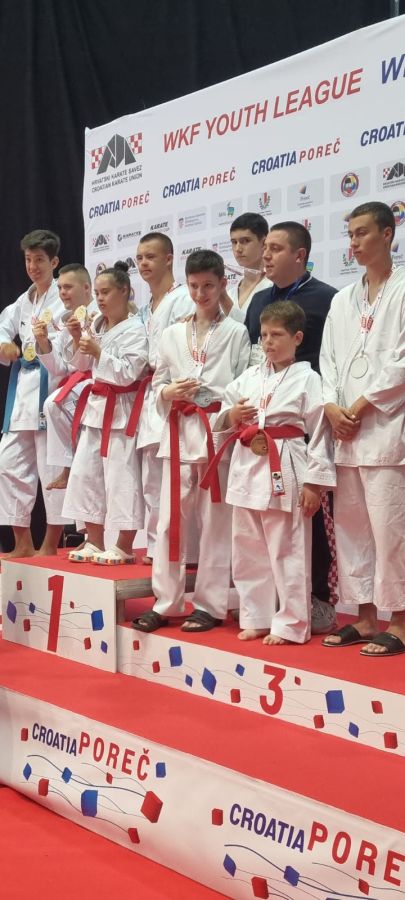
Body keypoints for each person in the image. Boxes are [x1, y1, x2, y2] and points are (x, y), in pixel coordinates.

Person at [132, 249, 251, 633]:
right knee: (169, 523)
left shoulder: (236, 332)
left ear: (223, 285)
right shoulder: (171, 335)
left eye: (209, 286)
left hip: (215, 435)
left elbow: (243, 383)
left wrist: (220, 404)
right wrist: (169, 393)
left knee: (215, 523)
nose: (201, 294)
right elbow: (158, 384)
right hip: (178, 434)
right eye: (195, 286)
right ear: (187, 285)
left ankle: (210, 605)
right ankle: (165, 601)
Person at [204, 301, 335, 644]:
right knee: (247, 548)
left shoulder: (308, 378)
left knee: (288, 549)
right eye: (263, 335)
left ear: (297, 338)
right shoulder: (249, 377)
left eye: (277, 335)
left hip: (286, 465)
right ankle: (256, 616)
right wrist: (232, 416)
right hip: (247, 465)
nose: (268, 342)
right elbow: (222, 416)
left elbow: (321, 432)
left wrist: (314, 483)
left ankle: (291, 623)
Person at [321, 201, 405, 657]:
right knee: (353, 530)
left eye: (362, 233)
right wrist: (333, 407)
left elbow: (401, 362)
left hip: (387, 430)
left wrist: (358, 405)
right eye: (350, 234)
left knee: (392, 531)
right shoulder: (341, 300)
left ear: (388, 233)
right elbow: (328, 361)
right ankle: (367, 616)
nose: (353, 242)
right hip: (346, 434)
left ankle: (401, 622)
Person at [245, 221, 337, 634]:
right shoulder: (258, 300)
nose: (265, 254)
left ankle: (316, 599)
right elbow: (253, 360)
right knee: (258, 528)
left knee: (306, 522)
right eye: (265, 246)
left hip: (304, 418)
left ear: (300, 255)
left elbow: (332, 359)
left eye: (275, 248)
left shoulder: (326, 298)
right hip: (263, 423)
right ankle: (266, 607)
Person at [62, 262, 149, 564]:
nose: (99, 299)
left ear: (124, 291)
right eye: (97, 293)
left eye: (106, 292)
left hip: (122, 409)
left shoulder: (135, 329)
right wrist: (78, 338)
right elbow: (80, 366)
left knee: (121, 477)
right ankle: (94, 540)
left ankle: (124, 544)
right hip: (96, 408)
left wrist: (99, 351)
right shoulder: (97, 324)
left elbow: (128, 373)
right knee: (86, 474)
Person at [0, 229, 69, 558]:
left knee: (51, 468)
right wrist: (4, 343)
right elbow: (3, 325)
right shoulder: (24, 300)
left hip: (52, 387)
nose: (32, 266)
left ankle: (50, 545)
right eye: (28, 260)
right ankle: (22, 542)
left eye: (39, 260)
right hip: (23, 392)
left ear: (54, 262)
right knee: (8, 464)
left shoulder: (63, 297)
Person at [134, 232, 194, 564]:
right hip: (151, 392)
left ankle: (177, 550)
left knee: (174, 479)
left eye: (150, 256)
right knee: (151, 479)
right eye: (140, 258)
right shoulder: (145, 309)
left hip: (174, 393)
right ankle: (156, 546)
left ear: (169, 259)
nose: (143, 263)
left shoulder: (183, 299)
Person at [33, 264, 97, 491]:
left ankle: (70, 468)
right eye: (60, 288)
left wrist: (80, 336)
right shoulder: (65, 320)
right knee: (52, 404)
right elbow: (59, 369)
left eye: (68, 287)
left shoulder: (100, 315)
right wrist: (43, 342)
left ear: (87, 287)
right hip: (77, 381)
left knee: (54, 404)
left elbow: (86, 363)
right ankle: (69, 467)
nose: (62, 293)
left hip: (99, 380)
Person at [219, 213, 271, 322]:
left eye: (245, 241)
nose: (238, 249)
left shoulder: (273, 288)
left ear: (264, 243)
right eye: (234, 242)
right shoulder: (230, 293)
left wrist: (223, 298)